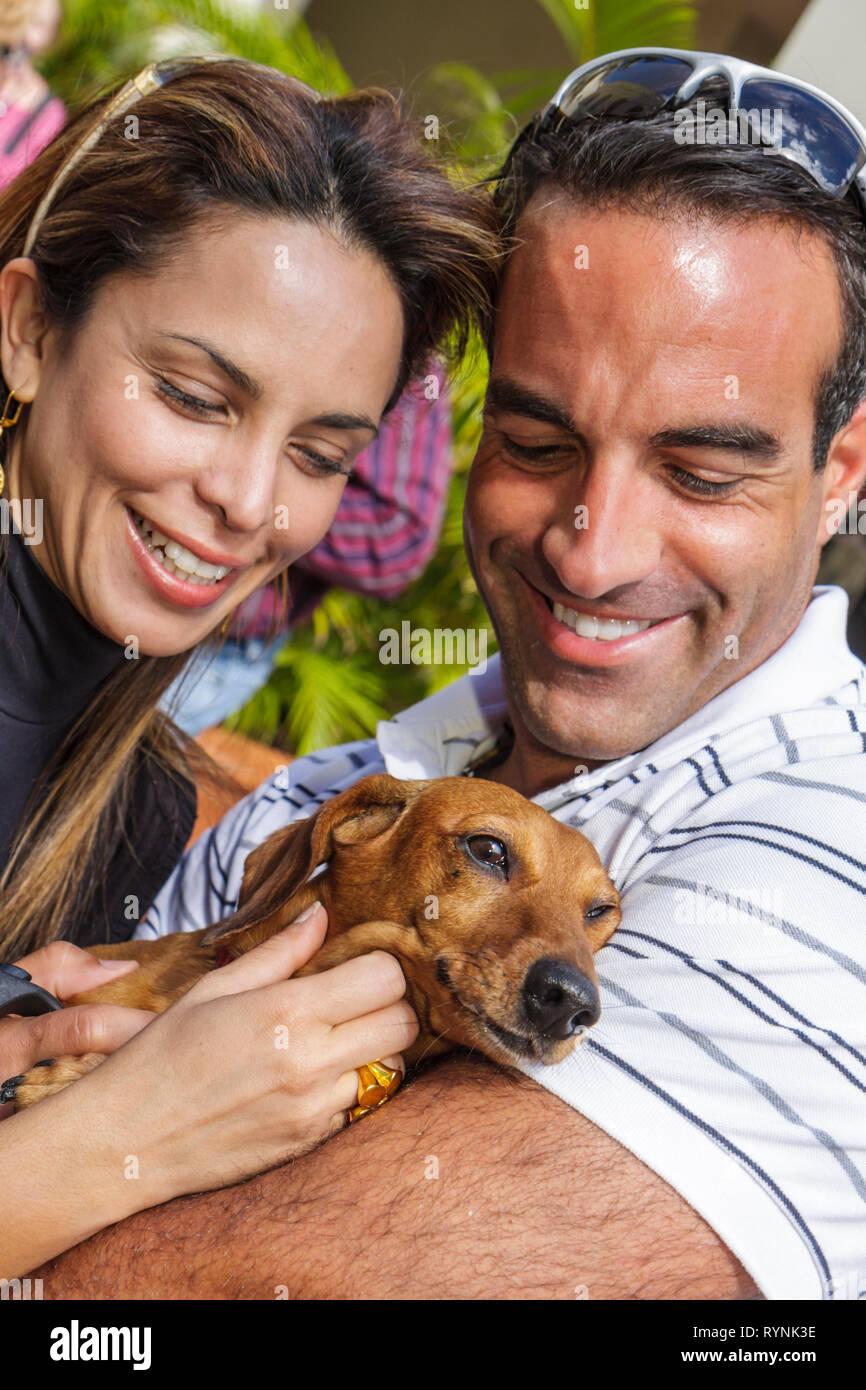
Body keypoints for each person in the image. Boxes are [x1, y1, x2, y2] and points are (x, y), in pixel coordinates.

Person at [28, 48, 866, 1302]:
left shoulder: (827, 859)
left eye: (700, 472)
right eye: (535, 440)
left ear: (840, 473)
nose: (595, 547)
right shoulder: (324, 799)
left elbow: (217, 1291)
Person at [0, 53, 499, 1276]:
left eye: (321, 456)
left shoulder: (135, 811)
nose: (246, 500)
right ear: (26, 330)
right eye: (191, 394)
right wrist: (126, 1137)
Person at [164, 376, 455, 735]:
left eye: (318, 457)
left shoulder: (412, 362)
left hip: (216, 649)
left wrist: (278, 508)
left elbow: (395, 540)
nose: (244, 506)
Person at [0, 0, 64, 189]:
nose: (24, 34)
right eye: (21, 19)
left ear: (50, 38)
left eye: (38, 24)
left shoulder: (49, 113)